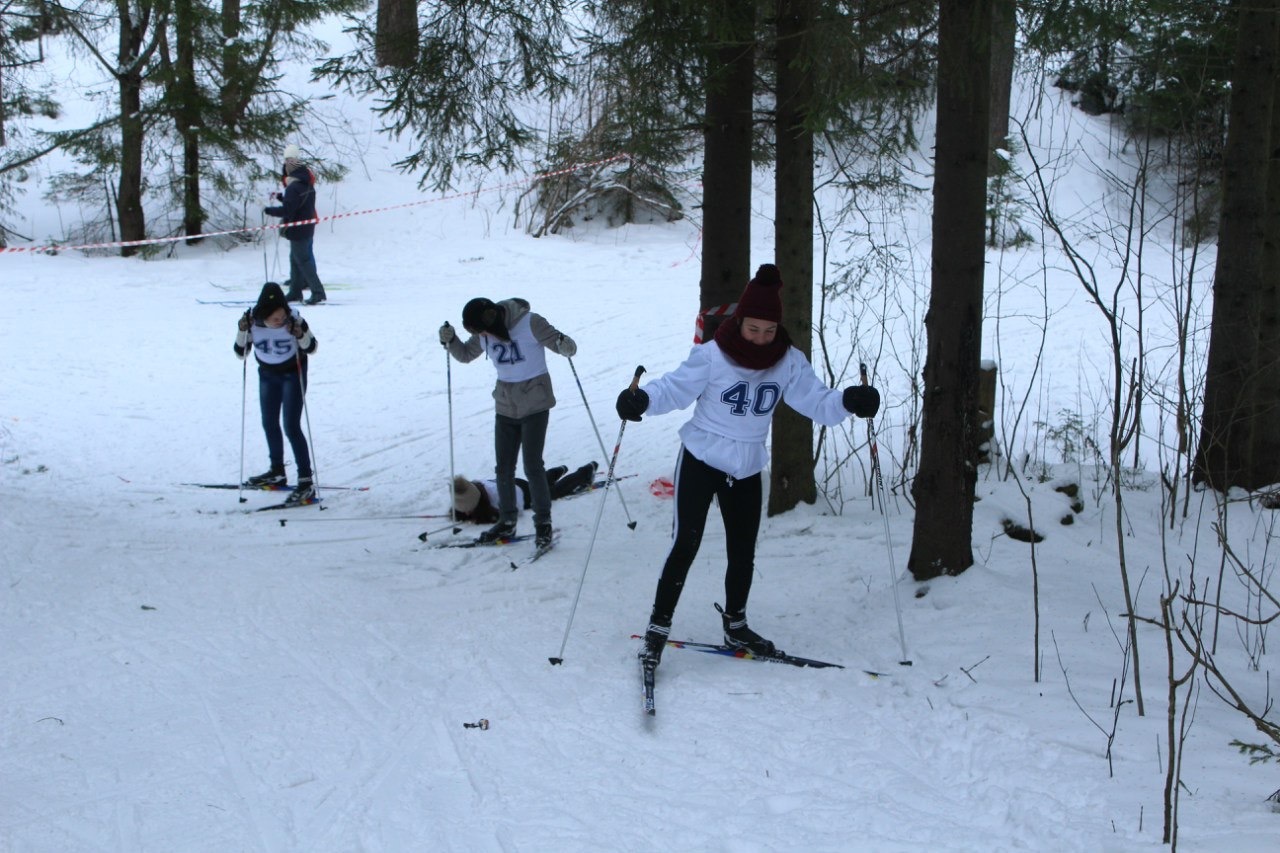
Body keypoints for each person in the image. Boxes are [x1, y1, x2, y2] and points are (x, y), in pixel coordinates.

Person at [616, 264, 881, 667]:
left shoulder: (788, 361)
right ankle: (657, 627)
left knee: (742, 551)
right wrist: (642, 400)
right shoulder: (712, 355)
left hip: (746, 464)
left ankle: (736, 624)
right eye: (753, 328)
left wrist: (849, 401)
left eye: (769, 330)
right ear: (740, 322)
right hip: (702, 457)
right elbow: (672, 388)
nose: (760, 338)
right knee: (684, 544)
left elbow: (818, 402)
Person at [439, 298, 577, 549]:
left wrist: (564, 345)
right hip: (505, 405)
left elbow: (563, 346)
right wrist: (451, 340)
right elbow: (466, 355)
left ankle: (543, 524)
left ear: (491, 318)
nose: (481, 335)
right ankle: (507, 520)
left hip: (535, 403)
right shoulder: (485, 332)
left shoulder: (530, 322)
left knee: (532, 466)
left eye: (481, 329)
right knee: (503, 467)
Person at [234, 282, 319, 506]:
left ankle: (306, 480)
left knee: (291, 425)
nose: (279, 321)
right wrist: (242, 330)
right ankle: (277, 471)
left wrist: (299, 333)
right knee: (269, 422)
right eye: (275, 319)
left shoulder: (294, 320)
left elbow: (312, 347)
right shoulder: (252, 321)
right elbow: (240, 352)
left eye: (281, 316)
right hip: (268, 374)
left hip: (293, 373)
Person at [264, 144, 327, 306]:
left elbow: (288, 209)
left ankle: (317, 292)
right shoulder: (306, 184)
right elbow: (296, 204)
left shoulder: (293, 188)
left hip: (298, 230)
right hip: (307, 228)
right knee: (295, 259)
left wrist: (269, 210)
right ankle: (295, 291)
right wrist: (281, 197)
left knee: (303, 261)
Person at [451, 461, 600, 523]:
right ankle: (555, 472)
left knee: (553, 493)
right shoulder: (476, 486)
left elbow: (514, 514)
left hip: (523, 495)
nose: (467, 514)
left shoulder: (498, 499)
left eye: (469, 510)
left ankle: (585, 472)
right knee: (538, 485)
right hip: (515, 483)